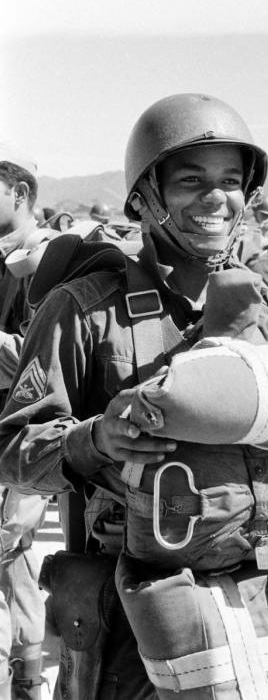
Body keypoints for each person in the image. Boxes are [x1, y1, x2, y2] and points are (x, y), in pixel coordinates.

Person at [0, 97, 268, 698]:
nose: (216, 198)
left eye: (231, 182)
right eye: (191, 181)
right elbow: (14, 451)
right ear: (144, 197)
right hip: (130, 617)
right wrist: (95, 438)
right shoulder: (84, 309)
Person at [0, 145, 48, 700]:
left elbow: (42, 358)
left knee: (9, 553)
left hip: (20, 435)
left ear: (20, 193)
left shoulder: (45, 256)